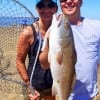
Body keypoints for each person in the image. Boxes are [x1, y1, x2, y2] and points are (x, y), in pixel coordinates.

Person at [39, 0, 100, 100]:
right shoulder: (52, 30)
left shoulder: (97, 26)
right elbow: (44, 64)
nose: (68, 2)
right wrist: (48, 43)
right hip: (65, 94)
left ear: (81, 2)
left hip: (91, 95)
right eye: (63, 0)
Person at [16, 0, 58, 100]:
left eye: (51, 5)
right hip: (33, 85)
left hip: (51, 84)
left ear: (56, 8)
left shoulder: (60, 31)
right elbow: (19, 61)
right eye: (41, 5)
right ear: (36, 8)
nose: (46, 9)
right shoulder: (28, 32)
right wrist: (29, 85)